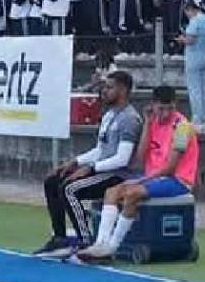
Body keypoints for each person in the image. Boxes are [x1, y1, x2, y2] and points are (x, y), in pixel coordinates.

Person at [76, 85, 201, 262]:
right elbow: (141, 157)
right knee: (111, 192)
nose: (165, 113)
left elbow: (171, 168)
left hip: (177, 180)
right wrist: (148, 124)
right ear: (153, 105)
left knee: (132, 192)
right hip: (155, 178)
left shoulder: (182, 128)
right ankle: (100, 243)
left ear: (176, 105)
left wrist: (141, 180)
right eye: (161, 108)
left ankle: (112, 247)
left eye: (170, 108)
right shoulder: (153, 122)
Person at [33, 70, 143, 259]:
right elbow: (100, 150)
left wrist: (91, 168)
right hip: (103, 170)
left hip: (118, 175)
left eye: (110, 88)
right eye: (104, 87)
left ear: (123, 90)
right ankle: (59, 239)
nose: (104, 91)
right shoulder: (109, 115)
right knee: (53, 180)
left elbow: (122, 159)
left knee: (69, 188)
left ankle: (86, 241)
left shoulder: (129, 119)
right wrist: (75, 162)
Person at [178, 0, 205, 132]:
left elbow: (191, 39)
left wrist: (182, 39)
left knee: (194, 90)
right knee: (204, 90)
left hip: (193, 57)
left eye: (187, 11)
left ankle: (197, 119)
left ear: (191, 9)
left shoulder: (195, 22)